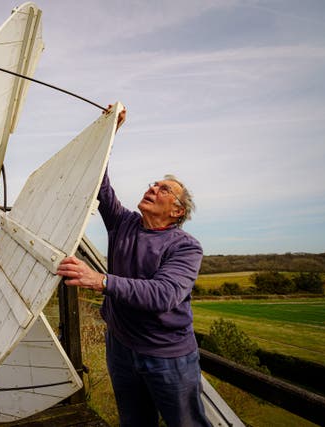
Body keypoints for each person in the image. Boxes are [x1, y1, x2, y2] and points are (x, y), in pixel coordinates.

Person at [56, 107, 210, 427]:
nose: (152, 188)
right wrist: (109, 135)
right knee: (134, 422)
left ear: (177, 212)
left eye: (164, 189)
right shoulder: (124, 223)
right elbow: (100, 186)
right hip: (121, 348)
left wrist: (101, 281)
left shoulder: (185, 246)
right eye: (153, 184)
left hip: (167, 357)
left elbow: (163, 294)